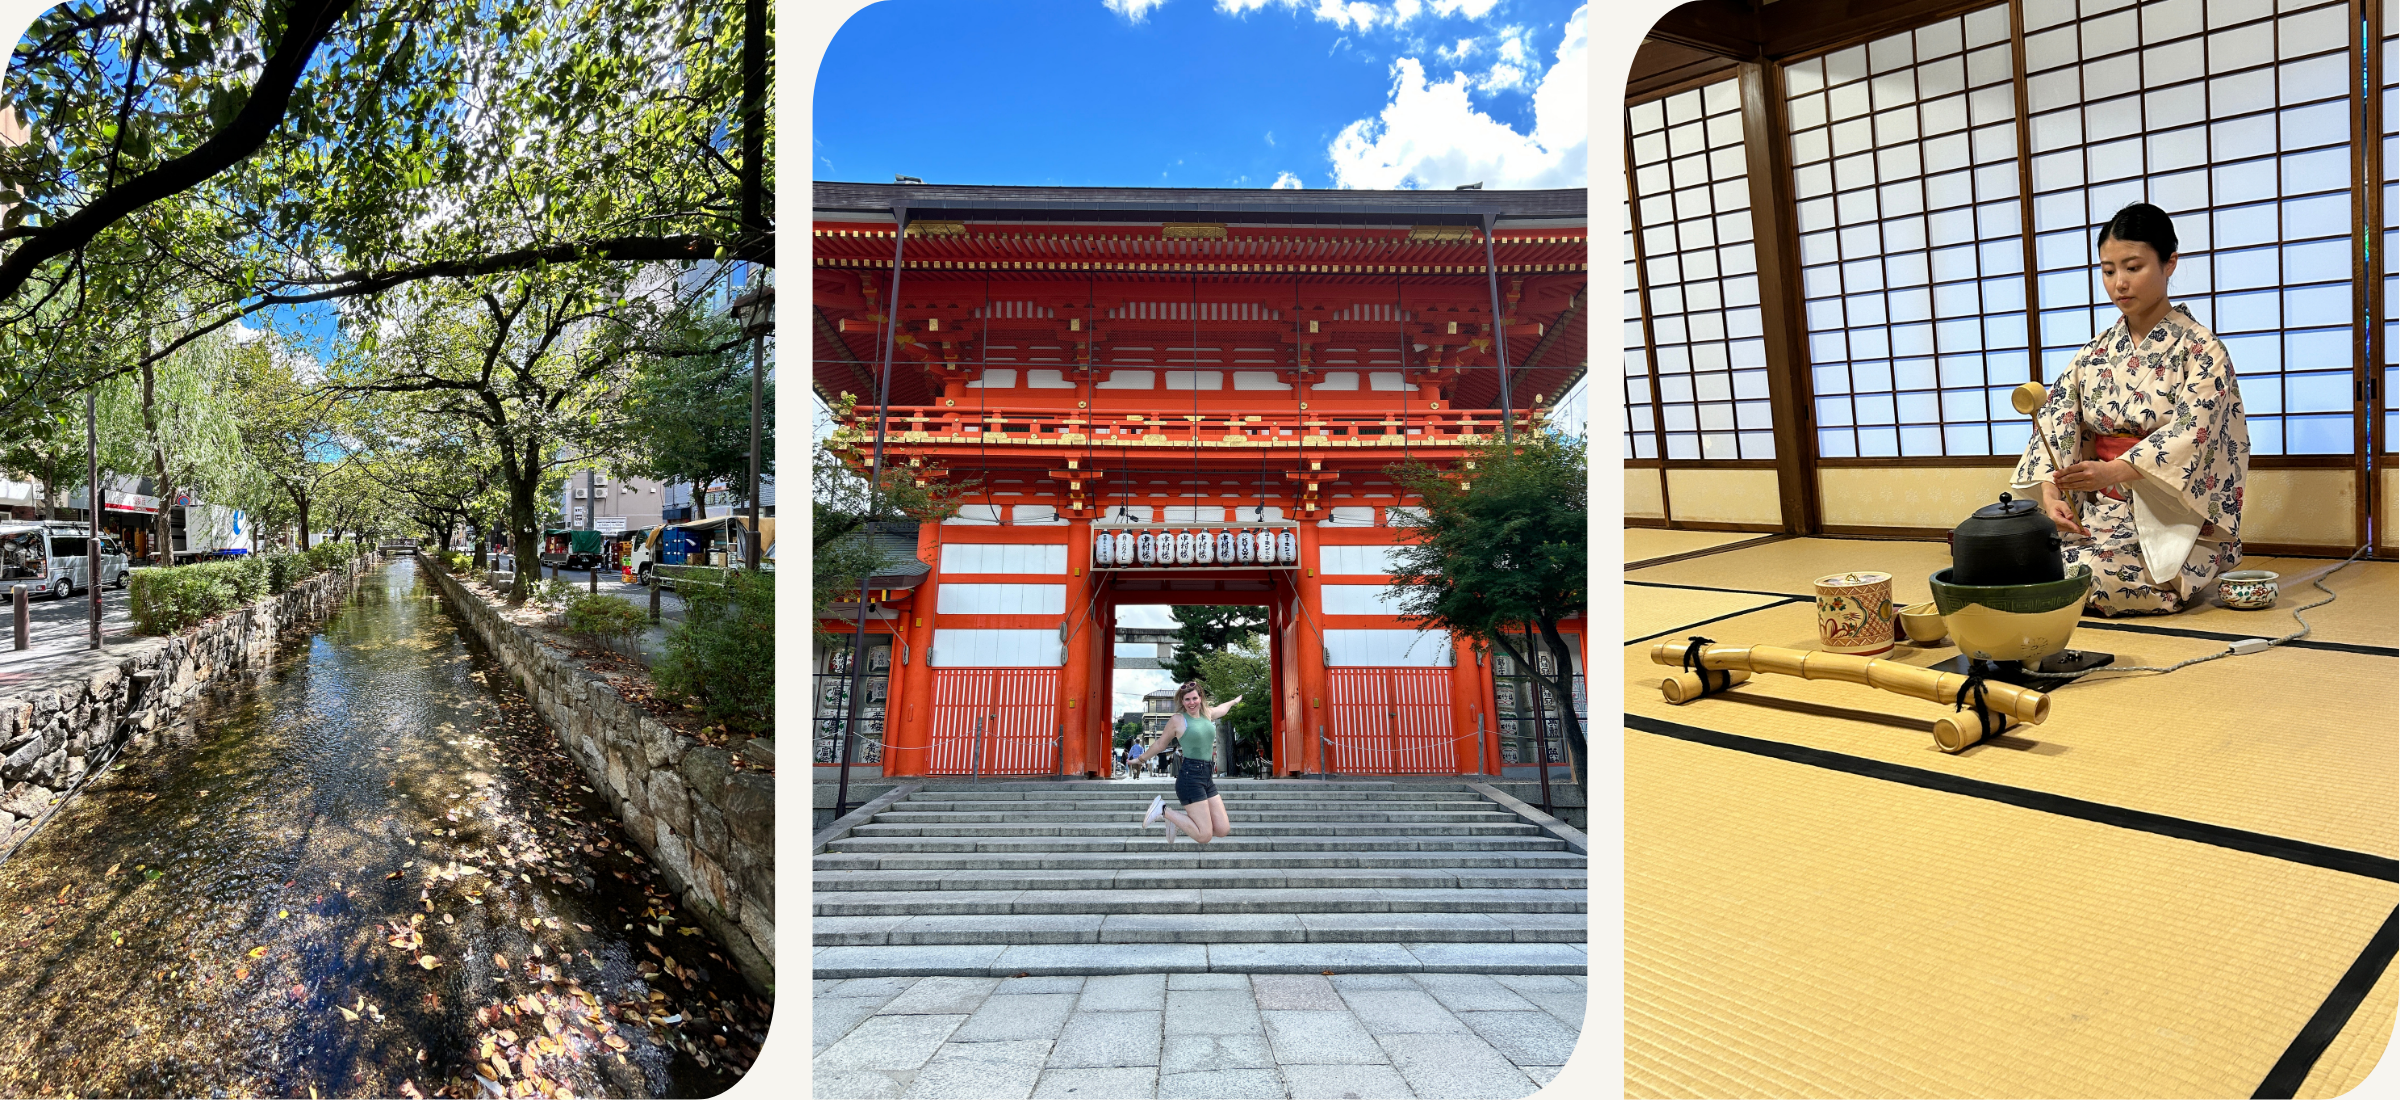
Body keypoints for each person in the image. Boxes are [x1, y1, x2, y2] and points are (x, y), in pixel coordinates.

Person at [2010, 203, 2248, 616]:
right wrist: (2052, 494)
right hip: (2095, 509)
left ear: (2169, 263)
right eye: (2107, 270)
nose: (2119, 283)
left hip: (2163, 516)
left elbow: (2194, 434)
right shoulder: (2094, 353)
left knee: (2091, 576)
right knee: (2013, 554)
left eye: (2133, 267)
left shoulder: (2203, 351)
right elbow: (2057, 422)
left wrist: (2115, 470)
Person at [1126, 681, 1241, 844]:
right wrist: (1141, 759)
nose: (1191, 703)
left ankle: (1175, 820)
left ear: (1200, 698)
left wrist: (1235, 701)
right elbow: (1160, 744)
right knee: (1204, 836)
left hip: (1207, 777)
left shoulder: (1206, 714)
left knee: (1222, 829)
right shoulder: (1178, 720)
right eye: (1187, 699)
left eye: (1194, 698)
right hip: (1190, 777)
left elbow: (1222, 708)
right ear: (1182, 701)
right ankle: (1163, 810)